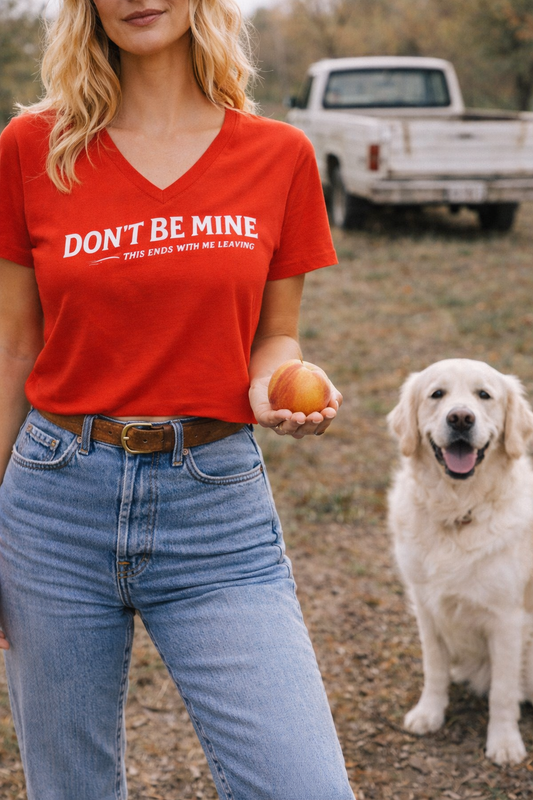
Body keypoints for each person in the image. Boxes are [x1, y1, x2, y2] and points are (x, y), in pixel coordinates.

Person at [0, 1, 355, 798]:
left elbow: (277, 337)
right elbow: (14, 348)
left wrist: (277, 386)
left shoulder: (279, 155)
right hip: (54, 503)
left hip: (214, 507)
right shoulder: (34, 148)